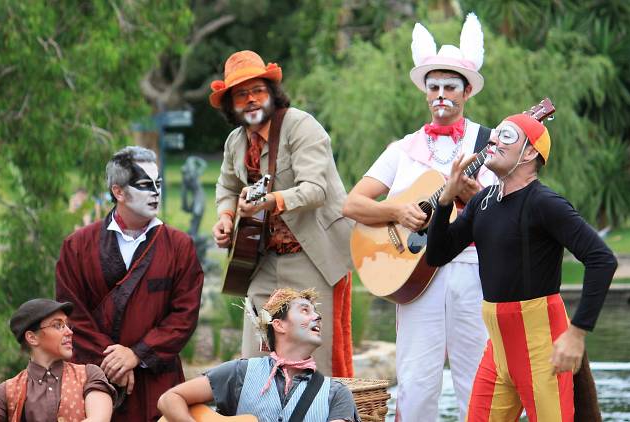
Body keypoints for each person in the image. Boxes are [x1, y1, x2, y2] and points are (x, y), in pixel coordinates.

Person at [342, 14, 492, 421]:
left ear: (466, 93)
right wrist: (398, 211)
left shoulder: (488, 145)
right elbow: (351, 204)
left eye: (450, 87)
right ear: (425, 93)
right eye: (435, 87)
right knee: (416, 381)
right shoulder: (402, 149)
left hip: (471, 268)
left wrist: (473, 197)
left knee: (477, 379)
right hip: (414, 270)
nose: (442, 94)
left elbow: (503, 212)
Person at [426, 114, 618, 421]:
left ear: (530, 153)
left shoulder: (546, 203)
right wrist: (446, 201)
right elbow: (437, 255)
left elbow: (602, 259)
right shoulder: (482, 202)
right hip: (498, 349)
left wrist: (577, 333)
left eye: (507, 136)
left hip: (542, 348)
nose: (493, 140)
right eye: (495, 134)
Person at [209, 50, 353, 376]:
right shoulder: (235, 142)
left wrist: (270, 200)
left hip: (312, 255)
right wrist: (226, 218)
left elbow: (316, 190)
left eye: (257, 91)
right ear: (231, 105)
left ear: (272, 94)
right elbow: (227, 188)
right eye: (241, 94)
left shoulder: (300, 126)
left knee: (317, 362)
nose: (251, 100)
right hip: (262, 259)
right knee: (256, 360)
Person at [56, 146, 204, 421]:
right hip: (96, 382)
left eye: (158, 184)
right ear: (118, 192)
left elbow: (184, 316)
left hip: (158, 382)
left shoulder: (179, 246)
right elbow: (71, 314)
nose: (155, 193)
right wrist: (113, 362)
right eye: (145, 185)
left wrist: (137, 355)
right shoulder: (77, 246)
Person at [157, 288, 359, 422]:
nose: (317, 316)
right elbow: (170, 398)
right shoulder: (241, 372)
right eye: (305, 310)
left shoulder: (336, 393)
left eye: (315, 312)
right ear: (279, 325)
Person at [0, 298, 115, 421]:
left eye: (67, 325)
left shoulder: (89, 375)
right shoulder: (6, 391)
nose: (69, 332)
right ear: (32, 338)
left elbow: (99, 418)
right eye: (58, 325)